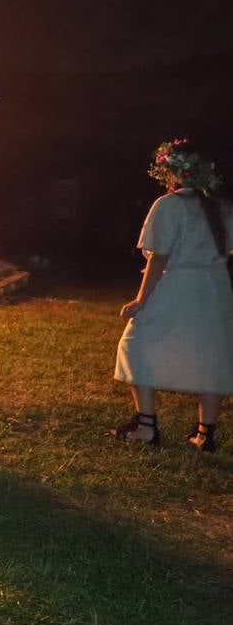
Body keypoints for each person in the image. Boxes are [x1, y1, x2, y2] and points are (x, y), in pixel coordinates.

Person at [112, 139, 233, 452]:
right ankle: (206, 434)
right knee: (211, 354)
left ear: (175, 173)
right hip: (214, 287)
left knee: (136, 345)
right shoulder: (219, 207)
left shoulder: (169, 205)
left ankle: (146, 426)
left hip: (177, 286)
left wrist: (140, 300)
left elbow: (159, 256)